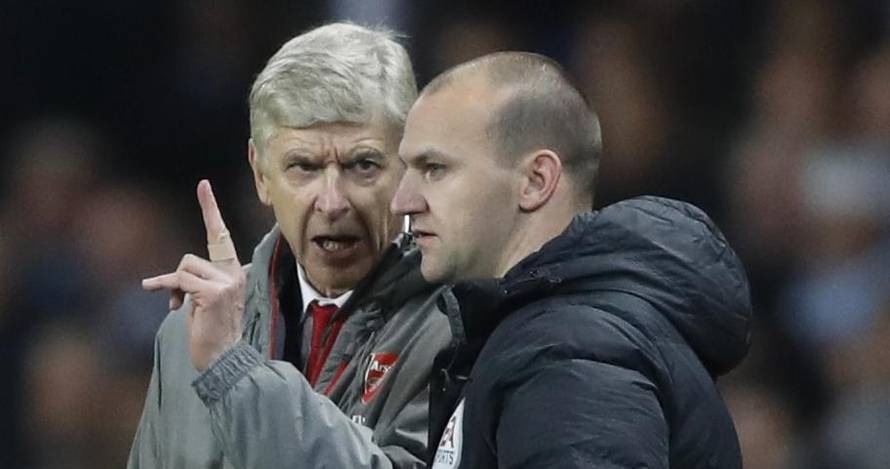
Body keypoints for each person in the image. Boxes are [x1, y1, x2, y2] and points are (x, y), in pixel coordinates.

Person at [391, 52, 753, 468]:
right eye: (407, 169)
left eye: (434, 168)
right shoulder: (556, 336)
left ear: (535, 181)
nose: (403, 200)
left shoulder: (570, 351)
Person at [128, 23, 451, 468]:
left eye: (363, 164)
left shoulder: (457, 328)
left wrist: (232, 372)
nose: (333, 202)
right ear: (261, 175)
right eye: (303, 166)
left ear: (407, 164)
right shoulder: (185, 336)